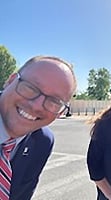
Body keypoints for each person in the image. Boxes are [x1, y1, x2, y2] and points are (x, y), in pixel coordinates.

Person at [0, 55, 76, 200]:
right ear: (10, 81)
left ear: (60, 112)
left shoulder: (42, 141)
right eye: (30, 87)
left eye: (54, 101)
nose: (36, 106)